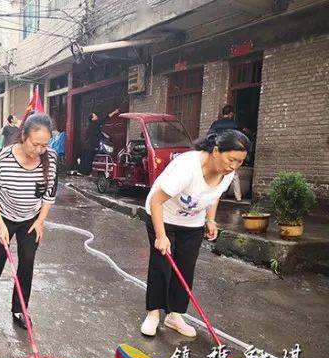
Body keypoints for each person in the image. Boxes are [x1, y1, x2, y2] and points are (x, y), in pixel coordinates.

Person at [140, 130, 250, 338]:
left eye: (240, 162)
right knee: (162, 264)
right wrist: (161, 237)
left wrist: (210, 219)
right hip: (164, 216)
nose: (234, 166)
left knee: (185, 267)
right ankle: (153, 313)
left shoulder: (226, 173)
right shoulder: (187, 167)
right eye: (231, 159)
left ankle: (175, 315)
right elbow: (156, 200)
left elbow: (214, 195)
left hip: (192, 222)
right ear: (216, 151)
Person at [0, 113, 58, 329]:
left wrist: (41, 221)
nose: (39, 150)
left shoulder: (51, 159)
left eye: (44, 145)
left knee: (27, 261)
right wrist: (0, 226)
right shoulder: (5, 157)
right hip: (3, 216)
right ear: (23, 136)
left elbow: (49, 195)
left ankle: (20, 309)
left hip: (31, 219)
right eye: (35, 144)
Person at [207, 105, 244, 201]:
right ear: (231, 114)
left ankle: (217, 196)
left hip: (218, 151)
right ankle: (238, 197)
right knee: (234, 174)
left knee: (218, 173)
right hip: (230, 151)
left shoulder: (215, 124)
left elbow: (209, 137)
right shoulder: (234, 124)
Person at [77, 108, 120, 175]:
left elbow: (102, 124)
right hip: (90, 145)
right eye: (95, 116)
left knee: (87, 158)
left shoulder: (94, 125)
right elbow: (98, 132)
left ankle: (83, 171)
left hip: (88, 145)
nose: (96, 116)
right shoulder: (93, 125)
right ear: (92, 119)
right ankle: (86, 172)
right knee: (88, 159)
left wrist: (114, 112)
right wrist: (105, 137)